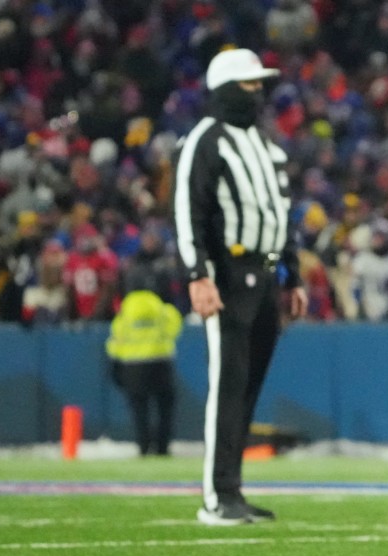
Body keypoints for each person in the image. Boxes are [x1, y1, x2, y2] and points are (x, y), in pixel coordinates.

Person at [174, 48, 308, 525]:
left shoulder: (265, 143)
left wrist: (292, 274)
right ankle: (217, 496)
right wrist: (197, 275)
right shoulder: (206, 140)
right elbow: (189, 214)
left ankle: (233, 489)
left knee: (247, 389)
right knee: (227, 387)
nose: (258, 94)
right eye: (249, 86)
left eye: (260, 86)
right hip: (229, 275)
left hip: (267, 276)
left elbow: (282, 213)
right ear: (228, 89)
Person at [106, 290, 182, 457]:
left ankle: (143, 446)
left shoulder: (126, 310)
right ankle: (163, 447)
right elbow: (174, 326)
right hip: (160, 362)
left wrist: (115, 367)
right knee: (165, 408)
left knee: (140, 410)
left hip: (133, 366)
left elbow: (116, 337)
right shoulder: (161, 308)